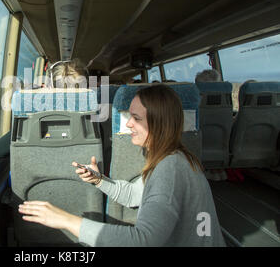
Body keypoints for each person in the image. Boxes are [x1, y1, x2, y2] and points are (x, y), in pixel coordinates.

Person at [18, 84, 226, 246]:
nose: (127, 124)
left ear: (158, 123)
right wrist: (100, 180)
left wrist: (66, 220)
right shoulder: (174, 158)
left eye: (135, 118)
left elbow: (143, 240)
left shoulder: (170, 169)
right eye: (128, 116)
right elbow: (133, 196)